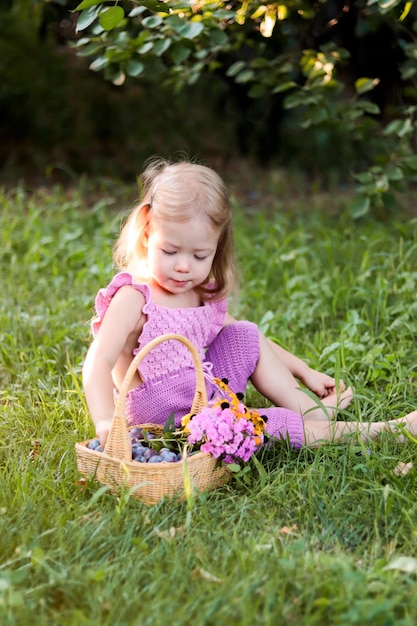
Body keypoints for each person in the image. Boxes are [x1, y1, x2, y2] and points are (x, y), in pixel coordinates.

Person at [82, 158, 417, 450]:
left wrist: (304, 370)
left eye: (200, 255)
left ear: (217, 247)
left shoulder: (199, 292)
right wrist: (105, 421)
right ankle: (385, 432)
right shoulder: (134, 298)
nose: (183, 266)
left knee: (245, 333)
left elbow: (251, 341)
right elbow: (99, 359)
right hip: (169, 420)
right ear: (146, 234)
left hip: (202, 393)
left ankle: (309, 410)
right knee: (267, 426)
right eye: (170, 251)